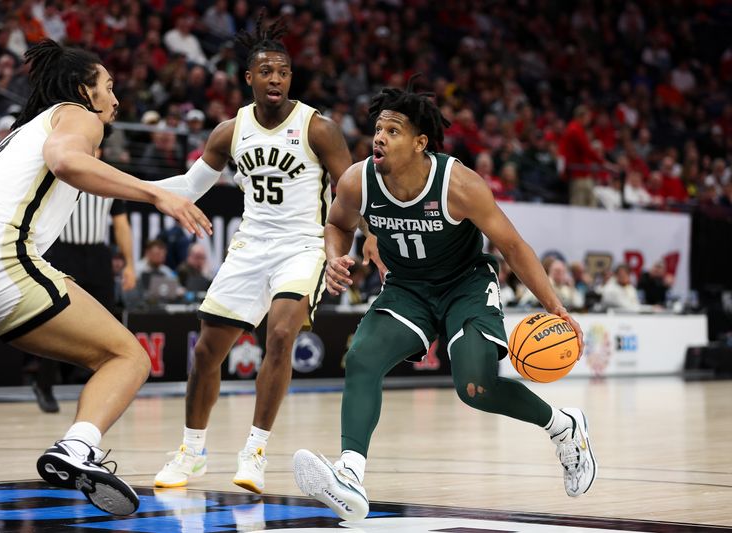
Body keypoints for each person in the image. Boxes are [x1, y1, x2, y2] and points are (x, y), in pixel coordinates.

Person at [292, 83, 596, 522]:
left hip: (464, 285)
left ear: (420, 143)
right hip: (406, 288)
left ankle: (563, 427)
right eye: (378, 128)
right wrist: (335, 255)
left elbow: (511, 244)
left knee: (474, 388)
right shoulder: (358, 179)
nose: (379, 137)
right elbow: (337, 222)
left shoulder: (459, 184)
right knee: (361, 357)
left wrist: (555, 306)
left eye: (393, 131)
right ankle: (351, 474)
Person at [0, 40, 211, 515]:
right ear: (85, 90)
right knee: (128, 356)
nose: (116, 99)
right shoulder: (77, 115)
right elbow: (66, 161)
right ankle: (76, 448)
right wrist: (154, 195)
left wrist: (197, 174)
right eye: (109, 86)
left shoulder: (17, 137)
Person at [152, 13, 365, 494]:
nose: (276, 79)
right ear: (248, 77)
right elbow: (189, 187)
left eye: (284, 72)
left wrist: (368, 235)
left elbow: (351, 190)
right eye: (267, 71)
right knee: (207, 352)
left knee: (282, 334)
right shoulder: (229, 132)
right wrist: (131, 188)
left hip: (303, 246)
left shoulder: (319, 128)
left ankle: (256, 451)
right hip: (249, 247)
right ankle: (191, 451)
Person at [28, 187, 137, 414]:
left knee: (107, 322)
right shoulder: (64, 173)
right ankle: (44, 384)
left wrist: (129, 264)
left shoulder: (109, 180)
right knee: (57, 318)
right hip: (64, 252)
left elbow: (121, 225)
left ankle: (106, 388)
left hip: (97, 254)